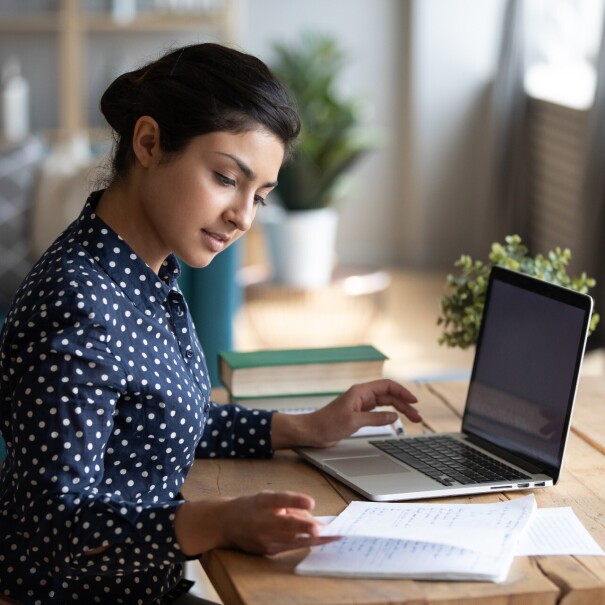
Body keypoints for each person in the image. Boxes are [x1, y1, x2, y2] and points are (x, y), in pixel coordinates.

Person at [0, 43, 421, 605]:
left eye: (260, 197)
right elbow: (53, 532)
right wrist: (216, 522)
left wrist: (303, 428)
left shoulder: (145, 273)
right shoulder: (79, 304)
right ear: (148, 143)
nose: (243, 217)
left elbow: (158, 421)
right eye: (226, 177)